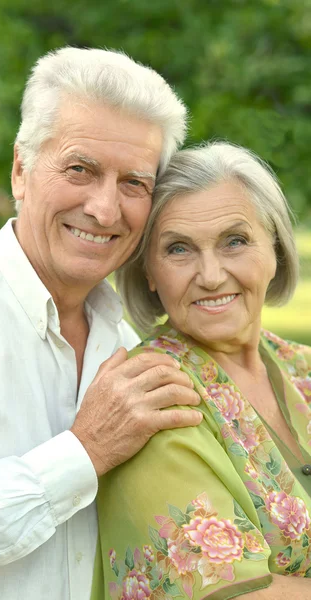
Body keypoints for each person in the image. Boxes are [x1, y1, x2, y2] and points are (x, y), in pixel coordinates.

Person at [0, 48, 203, 600]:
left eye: (134, 184)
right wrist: (83, 452)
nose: (104, 209)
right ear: (21, 169)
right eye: (80, 169)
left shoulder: (133, 350)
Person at [92, 141, 311, 599]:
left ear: (274, 248)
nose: (211, 275)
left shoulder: (300, 365)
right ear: (149, 272)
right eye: (179, 249)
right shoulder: (153, 396)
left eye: (235, 241)